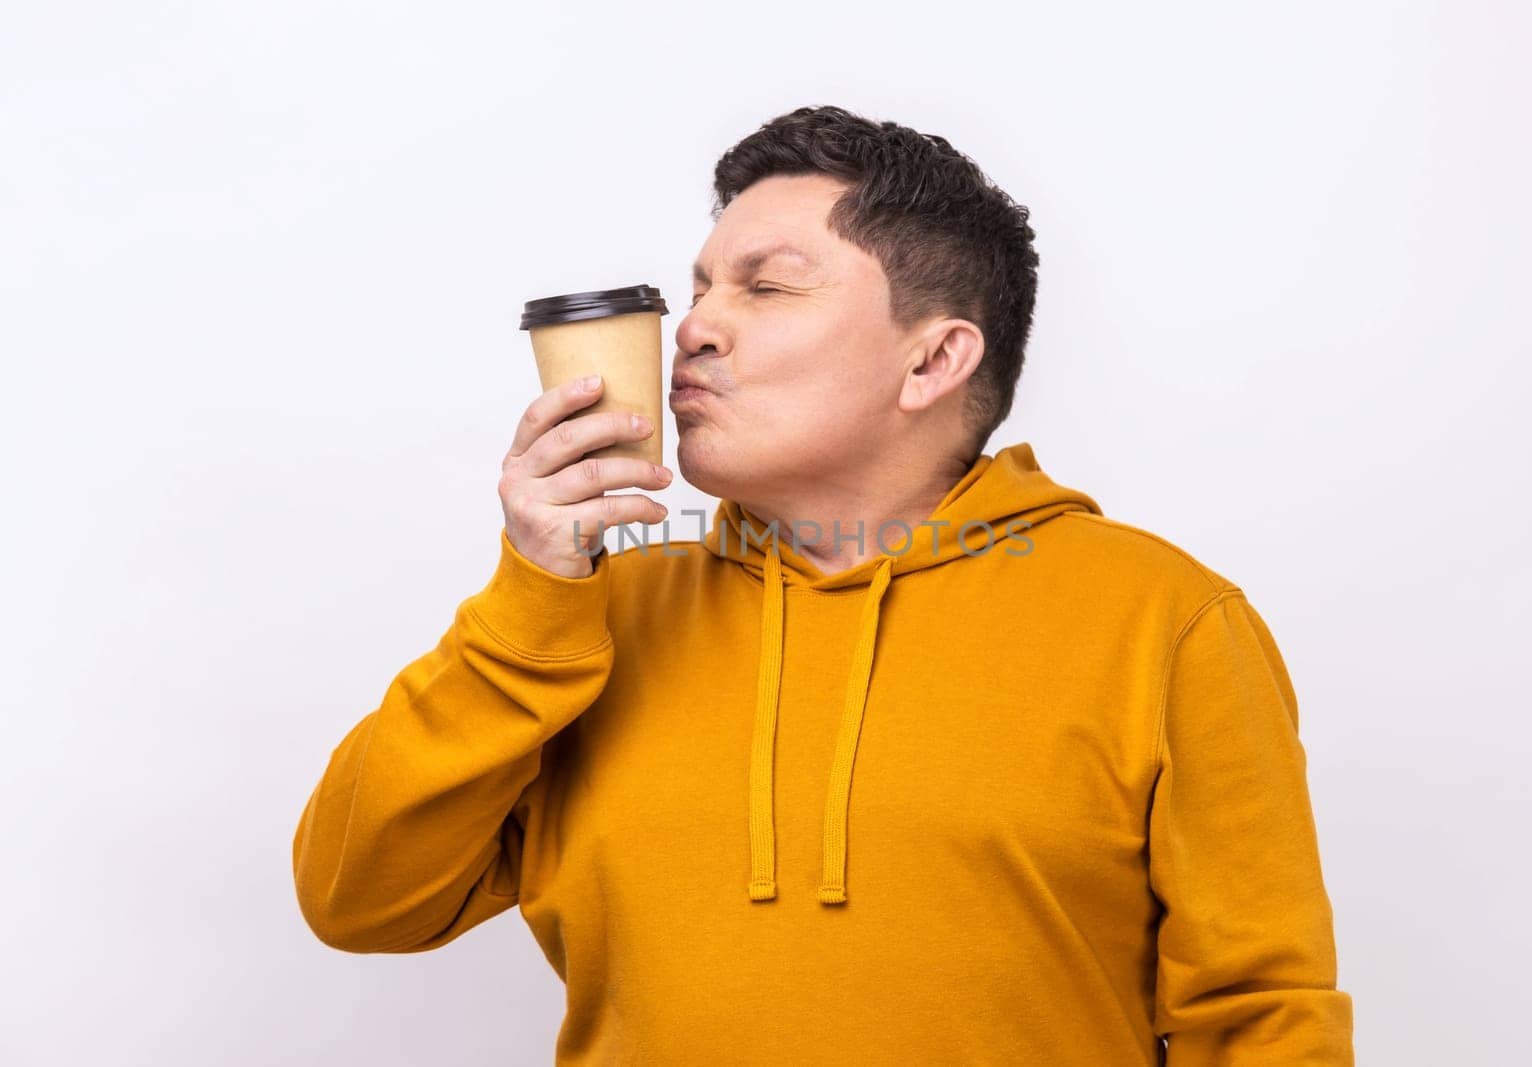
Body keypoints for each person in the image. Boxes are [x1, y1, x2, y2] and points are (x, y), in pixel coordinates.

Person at [292, 105, 1355, 1065]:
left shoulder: (1165, 621)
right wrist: (531, 593)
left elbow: (1262, 1017)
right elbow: (358, 898)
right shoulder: (586, 614)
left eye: (766, 284)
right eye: (701, 284)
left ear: (933, 362)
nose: (694, 325)